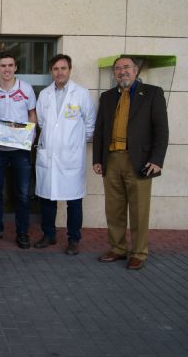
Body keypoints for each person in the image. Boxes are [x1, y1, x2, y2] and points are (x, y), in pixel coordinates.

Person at [93, 56, 169, 270]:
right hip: (112, 159)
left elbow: (161, 130)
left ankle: (139, 252)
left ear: (136, 71)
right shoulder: (107, 97)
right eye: (118, 68)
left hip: (140, 161)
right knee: (114, 209)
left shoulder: (152, 93)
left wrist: (157, 160)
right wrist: (97, 159)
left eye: (126, 67)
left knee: (139, 209)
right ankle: (118, 248)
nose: (122, 71)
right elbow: (100, 130)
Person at [34, 54, 96, 255]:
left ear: (70, 70)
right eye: (55, 69)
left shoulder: (81, 94)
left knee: (74, 201)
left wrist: (73, 144)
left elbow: (89, 125)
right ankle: (49, 235)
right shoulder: (44, 94)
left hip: (71, 157)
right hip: (49, 155)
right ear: (51, 71)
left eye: (63, 68)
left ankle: (73, 239)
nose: (59, 72)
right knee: (47, 199)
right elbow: (42, 122)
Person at [0, 51, 37, 249]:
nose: (6, 69)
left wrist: (30, 139)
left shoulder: (26, 89)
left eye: (10, 65)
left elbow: (32, 114)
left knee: (22, 193)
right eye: (2, 65)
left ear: (15, 67)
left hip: (20, 149)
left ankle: (22, 232)